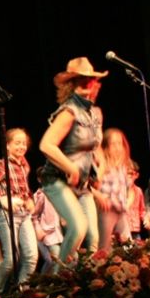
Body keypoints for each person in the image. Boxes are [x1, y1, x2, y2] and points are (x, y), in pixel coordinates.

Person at [38, 57, 106, 267]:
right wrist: (71, 168)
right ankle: (57, 283)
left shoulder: (95, 113)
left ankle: (84, 284)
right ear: (73, 83)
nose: (89, 83)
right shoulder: (69, 112)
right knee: (77, 228)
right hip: (57, 180)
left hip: (82, 185)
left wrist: (101, 169)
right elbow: (46, 145)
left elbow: (96, 147)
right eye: (83, 79)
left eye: (91, 79)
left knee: (93, 237)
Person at [0, 128, 38, 298]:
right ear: (8, 145)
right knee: (11, 259)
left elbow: (22, 190)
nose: (21, 146)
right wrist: (1, 200)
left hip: (23, 214)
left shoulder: (24, 165)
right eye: (17, 142)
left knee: (31, 256)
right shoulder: (2, 165)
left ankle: (20, 296)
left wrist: (29, 200)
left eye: (24, 143)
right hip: (6, 214)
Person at [92, 128, 132, 250]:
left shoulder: (122, 166)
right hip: (106, 210)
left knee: (128, 245)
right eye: (113, 144)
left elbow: (130, 189)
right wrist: (99, 196)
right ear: (106, 147)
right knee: (104, 246)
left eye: (119, 143)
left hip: (120, 210)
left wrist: (127, 204)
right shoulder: (101, 164)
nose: (117, 147)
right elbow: (88, 186)